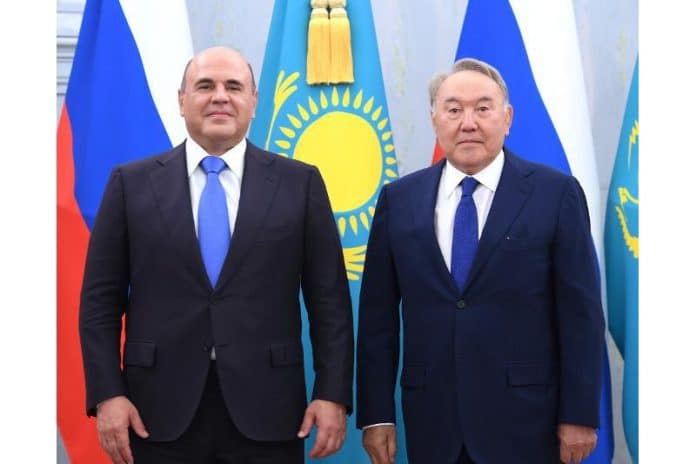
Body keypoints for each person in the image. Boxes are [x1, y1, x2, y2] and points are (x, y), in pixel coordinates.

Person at [79, 46, 354, 464]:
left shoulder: (300, 184)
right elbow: (99, 304)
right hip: (154, 412)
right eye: (205, 86)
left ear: (254, 101)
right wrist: (107, 394)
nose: (220, 96)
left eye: (234, 87)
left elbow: (330, 303)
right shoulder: (129, 185)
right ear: (182, 100)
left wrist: (331, 393)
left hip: (269, 410)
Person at [356, 58, 605, 464]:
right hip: (433, 423)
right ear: (435, 119)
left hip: (528, 423)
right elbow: (377, 319)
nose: (468, 123)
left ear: (507, 119)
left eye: (483, 109)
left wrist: (579, 415)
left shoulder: (555, 194)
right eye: (454, 109)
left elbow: (581, 314)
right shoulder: (399, 200)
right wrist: (376, 415)